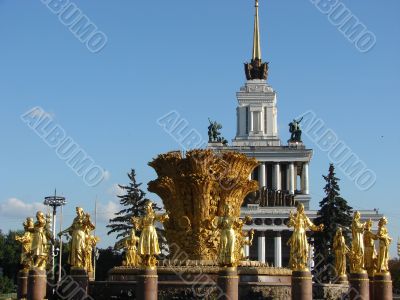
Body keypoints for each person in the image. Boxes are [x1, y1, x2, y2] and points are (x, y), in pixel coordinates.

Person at [287, 203, 323, 271]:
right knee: (296, 249)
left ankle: (302, 263)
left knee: (304, 249)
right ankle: (294, 264)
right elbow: (288, 225)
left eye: (302, 208)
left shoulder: (305, 217)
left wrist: (318, 228)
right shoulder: (294, 216)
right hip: (296, 234)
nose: (301, 209)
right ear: (298, 208)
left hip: (303, 234)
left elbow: (311, 226)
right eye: (300, 208)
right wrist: (291, 219)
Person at [136, 201, 169, 267]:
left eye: (147, 206)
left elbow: (160, 217)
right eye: (145, 206)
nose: (146, 207)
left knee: (151, 245)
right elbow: (139, 226)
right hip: (144, 232)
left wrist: (165, 214)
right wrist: (135, 223)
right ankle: (145, 259)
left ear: (150, 207)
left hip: (151, 231)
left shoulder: (153, 214)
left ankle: (150, 259)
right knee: (144, 246)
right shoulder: (144, 216)